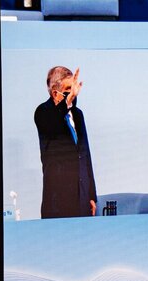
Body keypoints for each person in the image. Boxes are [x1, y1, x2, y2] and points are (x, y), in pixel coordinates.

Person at [35, 66, 97, 219]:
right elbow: (54, 128)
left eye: (74, 88)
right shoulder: (43, 112)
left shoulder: (78, 114)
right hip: (58, 202)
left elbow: (85, 155)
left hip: (82, 199)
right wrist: (66, 103)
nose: (74, 93)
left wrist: (92, 195)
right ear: (55, 93)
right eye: (69, 88)